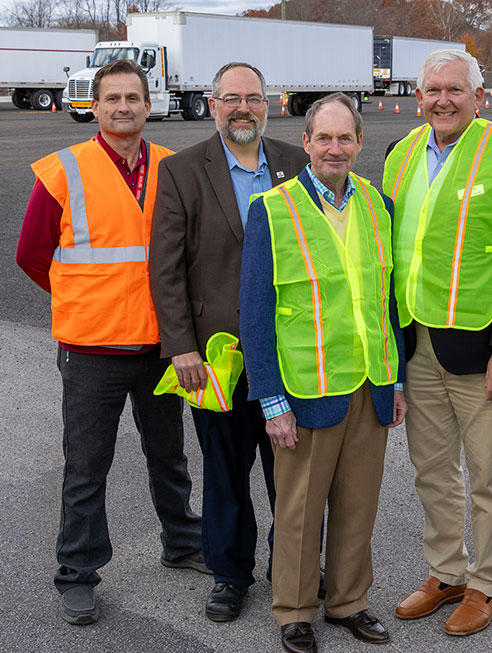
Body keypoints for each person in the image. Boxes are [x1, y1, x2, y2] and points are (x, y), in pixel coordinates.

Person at [16, 59, 205, 626]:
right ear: (94, 107)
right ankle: (77, 573)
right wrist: (83, 297)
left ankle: (182, 541)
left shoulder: (173, 167)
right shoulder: (63, 171)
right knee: (86, 466)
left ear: (150, 107)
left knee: (168, 454)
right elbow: (32, 255)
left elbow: (187, 256)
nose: (123, 107)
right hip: (92, 349)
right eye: (112, 98)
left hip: (157, 346)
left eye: (133, 98)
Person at [240, 92, 406, 653]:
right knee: (299, 509)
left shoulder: (377, 204)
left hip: (369, 383)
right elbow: (255, 313)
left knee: (359, 505)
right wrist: (270, 400)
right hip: (304, 390)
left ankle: (348, 602)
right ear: (305, 143)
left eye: (345, 138)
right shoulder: (273, 208)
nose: (335, 148)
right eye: (324, 138)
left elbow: (383, 301)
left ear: (359, 143)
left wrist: (397, 380)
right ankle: (294, 610)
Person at [382, 49, 492, 636]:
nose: (443, 100)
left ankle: (487, 584)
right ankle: (446, 571)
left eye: (455, 90)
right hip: (418, 341)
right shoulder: (400, 155)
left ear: (479, 96)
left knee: (488, 475)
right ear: (418, 97)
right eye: (432, 91)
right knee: (431, 469)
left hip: (481, 350)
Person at [149, 62, 309, 623]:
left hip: (289, 353)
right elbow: (165, 269)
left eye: (254, 98)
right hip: (215, 356)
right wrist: (181, 346)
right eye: (231, 99)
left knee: (288, 472)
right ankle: (230, 573)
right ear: (213, 104)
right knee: (223, 470)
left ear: (269, 104)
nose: (243, 108)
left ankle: (289, 568)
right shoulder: (183, 171)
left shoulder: (297, 162)